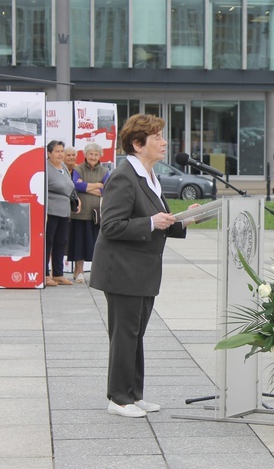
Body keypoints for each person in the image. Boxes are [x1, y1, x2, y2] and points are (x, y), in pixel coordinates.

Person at [89, 114, 192, 418]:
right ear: (137, 144)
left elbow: (161, 221)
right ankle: (118, 397)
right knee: (125, 334)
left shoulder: (148, 175)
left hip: (142, 270)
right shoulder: (124, 175)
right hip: (122, 270)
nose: (164, 143)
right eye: (157, 137)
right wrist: (150, 222)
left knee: (135, 333)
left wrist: (186, 219)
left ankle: (134, 393)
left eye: (163, 136)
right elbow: (111, 226)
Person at [68, 142, 109, 283]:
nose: (93, 157)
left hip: (96, 215)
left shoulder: (104, 171)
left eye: (96, 154)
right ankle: (79, 272)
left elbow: (108, 188)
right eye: (90, 154)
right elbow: (75, 185)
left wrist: (85, 186)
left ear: (99, 156)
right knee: (79, 243)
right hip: (80, 214)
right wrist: (98, 185)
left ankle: (95, 272)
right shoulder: (78, 169)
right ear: (85, 155)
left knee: (95, 244)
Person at [45, 140, 79, 287]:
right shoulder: (45, 168)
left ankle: (58, 274)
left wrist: (76, 199)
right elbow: (43, 189)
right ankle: (45, 274)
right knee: (48, 242)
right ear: (49, 153)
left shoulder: (63, 166)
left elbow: (69, 186)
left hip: (64, 211)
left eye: (62, 151)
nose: (60, 154)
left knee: (61, 242)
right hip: (51, 211)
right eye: (57, 151)